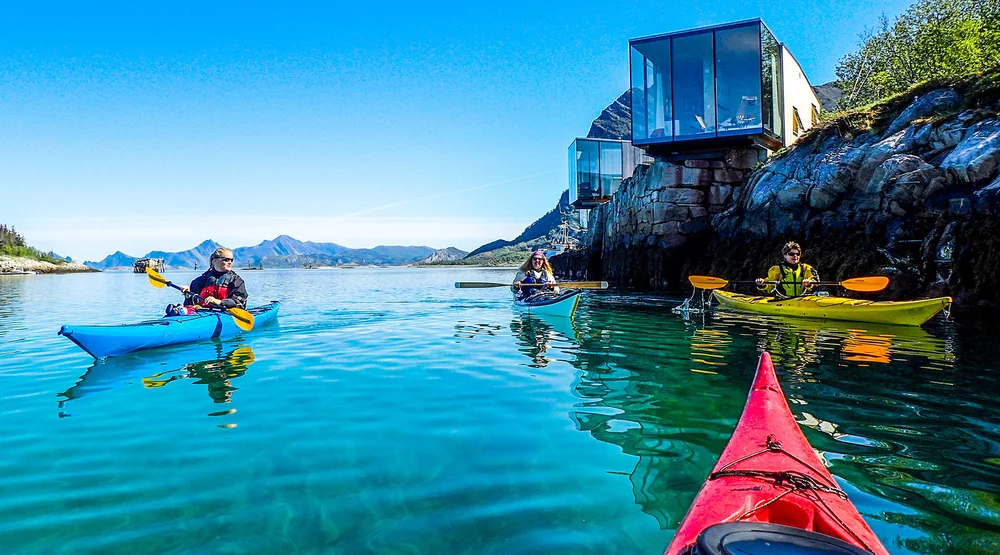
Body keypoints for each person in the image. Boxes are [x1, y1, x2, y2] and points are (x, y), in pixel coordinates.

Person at [167, 247, 248, 315]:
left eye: (231, 260)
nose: (230, 262)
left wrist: (219, 302)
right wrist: (188, 293)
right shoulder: (201, 280)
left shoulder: (237, 281)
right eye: (226, 260)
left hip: (225, 313)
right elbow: (190, 303)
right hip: (202, 313)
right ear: (214, 260)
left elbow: (239, 303)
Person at [755, 241, 819, 298]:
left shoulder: (806, 268)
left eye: (797, 254)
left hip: (800, 300)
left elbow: (815, 282)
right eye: (791, 254)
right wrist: (762, 284)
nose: (795, 256)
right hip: (782, 300)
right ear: (785, 255)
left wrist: (809, 283)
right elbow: (770, 286)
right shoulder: (777, 269)